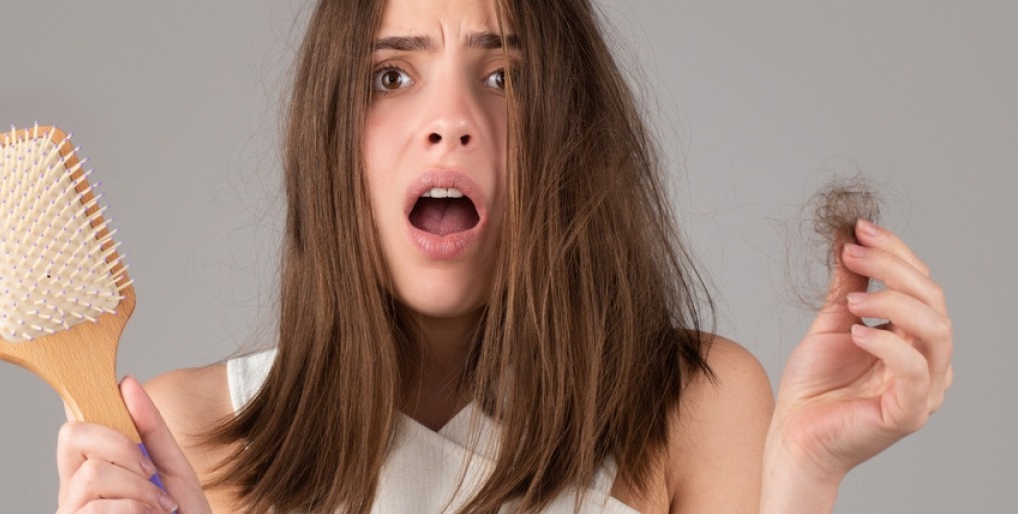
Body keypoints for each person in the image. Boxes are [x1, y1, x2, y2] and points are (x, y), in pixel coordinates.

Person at [54, 0, 954, 512]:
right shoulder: (188, 435)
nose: (450, 121)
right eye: (391, 77)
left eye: (504, 77)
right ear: (329, 140)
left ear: (571, 137)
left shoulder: (696, 405)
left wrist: (802, 473)